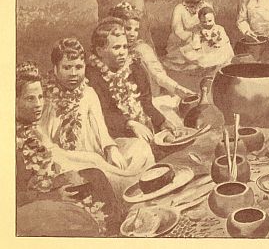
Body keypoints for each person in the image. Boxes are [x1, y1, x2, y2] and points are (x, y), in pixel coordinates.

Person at [16, 61, 121, 236]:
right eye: (30, 98)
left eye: (41, 97)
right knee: (79, 216)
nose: (38, 104)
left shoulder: (33, 127)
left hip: (47, 185)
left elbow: (53, 157)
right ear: (14, 99)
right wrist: (52, 196)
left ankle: (115, 234)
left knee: (95, 176)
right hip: (29, 205)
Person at [40, 38, 155, 185]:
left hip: (96, 153)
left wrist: (110, 148)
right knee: (100, 172)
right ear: (56, 69)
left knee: (140, 148)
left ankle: (136, 183)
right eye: (67, 67)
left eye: (78, 67)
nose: (74, 73)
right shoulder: (46, 99)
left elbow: (102, 130)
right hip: (67, 160)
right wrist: (89, 159)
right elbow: (46, 146)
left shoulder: (88, 93)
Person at [86, 17, 176, 145]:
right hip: (113, 131)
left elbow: (146, 102)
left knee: (172, 134)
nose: (123, 52)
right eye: (116, 48)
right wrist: (130, 124)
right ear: (100, 51)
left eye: (125, 47)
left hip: (141, 122)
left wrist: (161, 121)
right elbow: (103, 113)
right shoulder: (92, 76)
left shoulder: (135, 68)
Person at [109, 2, 194, 99]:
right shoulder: (109, 51)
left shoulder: (142, 49)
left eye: (136, 30)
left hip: (145, 98)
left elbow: (158, 74)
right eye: (128, 29)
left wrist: (177, 88)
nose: (133, 34)